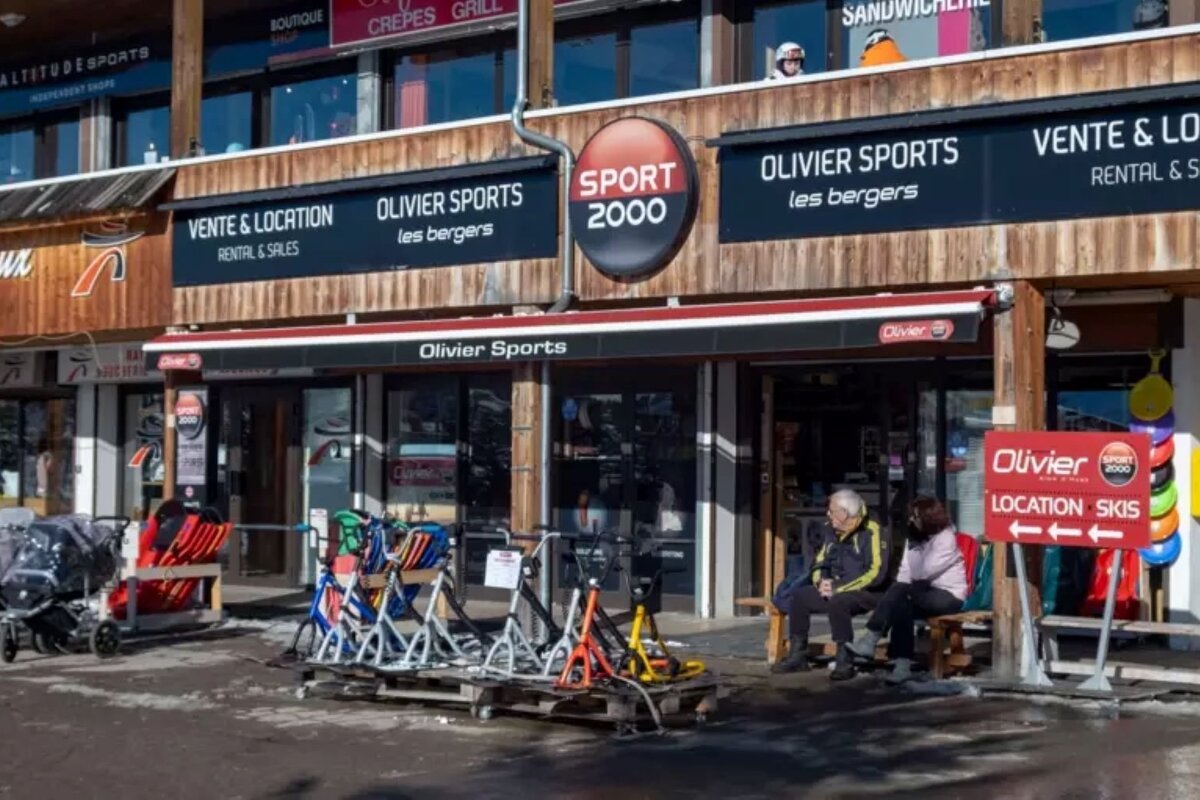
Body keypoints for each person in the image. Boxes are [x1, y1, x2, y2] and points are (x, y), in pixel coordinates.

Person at [848, 496, 967, 684]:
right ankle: (902, 665)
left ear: (929, 517)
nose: (911, 520)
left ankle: (871, 638)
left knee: (903, 593)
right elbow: (904, 573)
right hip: (919, 591)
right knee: (902, 603)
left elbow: (923, 572)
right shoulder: (915, 537)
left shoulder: (946, 538)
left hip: (948, 595)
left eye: (916, 516)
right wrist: (913, 546)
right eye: (911, 516)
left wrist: (914, 548)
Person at [772, 489, 889, 680]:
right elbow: (819, 562)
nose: (828, 515)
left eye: (832, 511)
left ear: (845, 513)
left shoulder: (874, 530)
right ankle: (798, 655)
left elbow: (876, 573)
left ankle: (844, 659)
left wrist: (837, 588)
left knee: (839, 601)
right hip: (836, 586)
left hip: (868, 590)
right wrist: (821, 582)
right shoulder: (831, 529)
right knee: (800, 597)